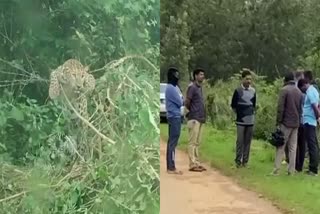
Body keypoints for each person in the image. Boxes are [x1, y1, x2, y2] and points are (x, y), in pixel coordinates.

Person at [271, 72, 303, 176]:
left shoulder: (284, 90)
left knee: (280, 146)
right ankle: (291, 171)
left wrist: (278, 122)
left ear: (285, 80)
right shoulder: (299, 91)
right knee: (293, 148)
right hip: (296, 123)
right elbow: (300, 109)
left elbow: (280, 108)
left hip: (286, 122)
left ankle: (276, 170)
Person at [231, 69, 256, 168]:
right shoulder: (237, 91)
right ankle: (238, 161)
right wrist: (239, 114)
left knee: (248, 142)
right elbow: (233, 105)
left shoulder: (253, 91)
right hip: (240, 121)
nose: (249, 81)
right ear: (242, 79)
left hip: (250, 120)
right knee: (240, 141)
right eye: (247, 79)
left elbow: (253, 105)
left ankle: (245, 162)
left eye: (250, 79)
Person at [185, 68, 206, 172]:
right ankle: (192, 164)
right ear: (196, 76)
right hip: (194, 117)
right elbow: (187, 101)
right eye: (201, 74)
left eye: (203, 74)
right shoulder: (192, 87)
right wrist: (190, 111)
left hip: (201, 118)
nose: (202, 76)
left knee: (197, 142)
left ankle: (197, 162)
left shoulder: (200, 88)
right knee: (192, 142)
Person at [298, 77, 320, 176]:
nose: (302, 90)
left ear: (305, 84)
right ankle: (313, 166)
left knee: (312, 145)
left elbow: (315, 106)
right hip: (311, 121)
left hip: (309, 121)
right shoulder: (314, 90)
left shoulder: (310, 91)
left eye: (301, 88)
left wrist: (317, 117)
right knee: (314, 144)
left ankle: (313, 169)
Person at [165, 67, 183, 174]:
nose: (178, 77)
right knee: (173, 142)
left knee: (171, 141)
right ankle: (171, 167)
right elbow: (180, 102)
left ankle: (170, 166)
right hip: (174, 116)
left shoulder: (171, 87)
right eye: (176, 75)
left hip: (173, 116)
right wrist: (181, 98)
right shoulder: (171, 88)